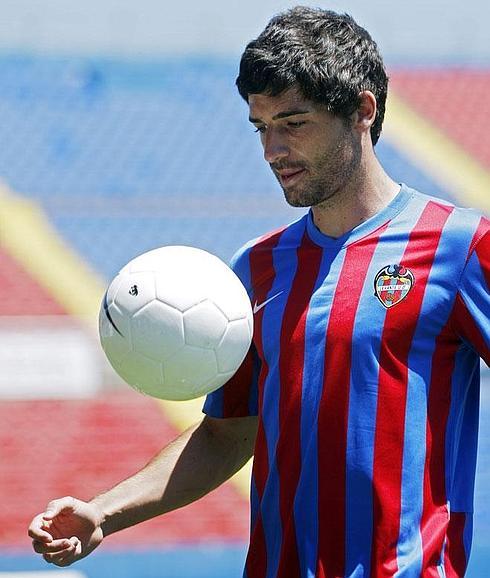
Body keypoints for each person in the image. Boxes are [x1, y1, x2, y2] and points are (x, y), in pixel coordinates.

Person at [29, 6, 489, 577]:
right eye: (261, 127)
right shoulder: (257, 267)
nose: (272, 150)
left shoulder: (460, 246)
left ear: (362, 111)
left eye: (293, 123)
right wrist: (103, 513)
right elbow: (227, 434)